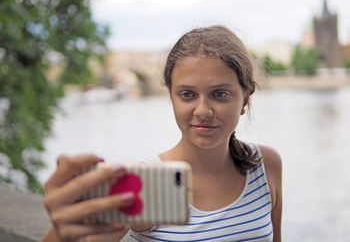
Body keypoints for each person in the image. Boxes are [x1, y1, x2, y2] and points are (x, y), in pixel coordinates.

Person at [41, 25, 282, 242]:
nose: (202, 111)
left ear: (244, 99)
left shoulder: (265, 164)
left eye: (219, 94)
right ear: (171, 97)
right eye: (187, 94)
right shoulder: (145, 182)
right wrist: (62, 234)